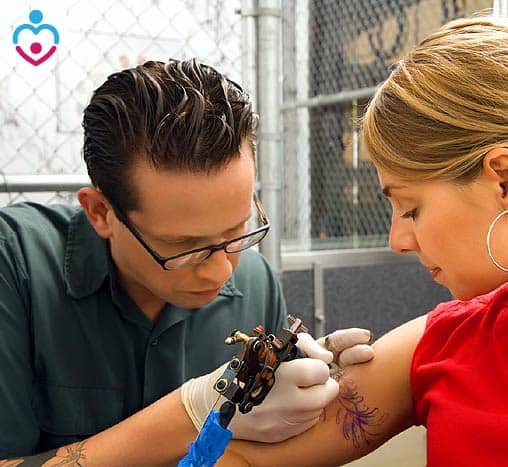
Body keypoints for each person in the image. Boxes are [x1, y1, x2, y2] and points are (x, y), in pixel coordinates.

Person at [219, 15, 508, 467]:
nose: (397, 241)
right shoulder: (440, 341)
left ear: (505, 183)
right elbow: (237, 459)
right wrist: (231, 401)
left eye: (410, 208)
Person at [0, 59, 373, 465]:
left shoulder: (255, 283)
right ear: (101, 213)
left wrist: (307, 400)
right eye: (184, 247)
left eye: (237, 231)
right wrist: (190, 415)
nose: (221, 271)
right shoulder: (16, 267)